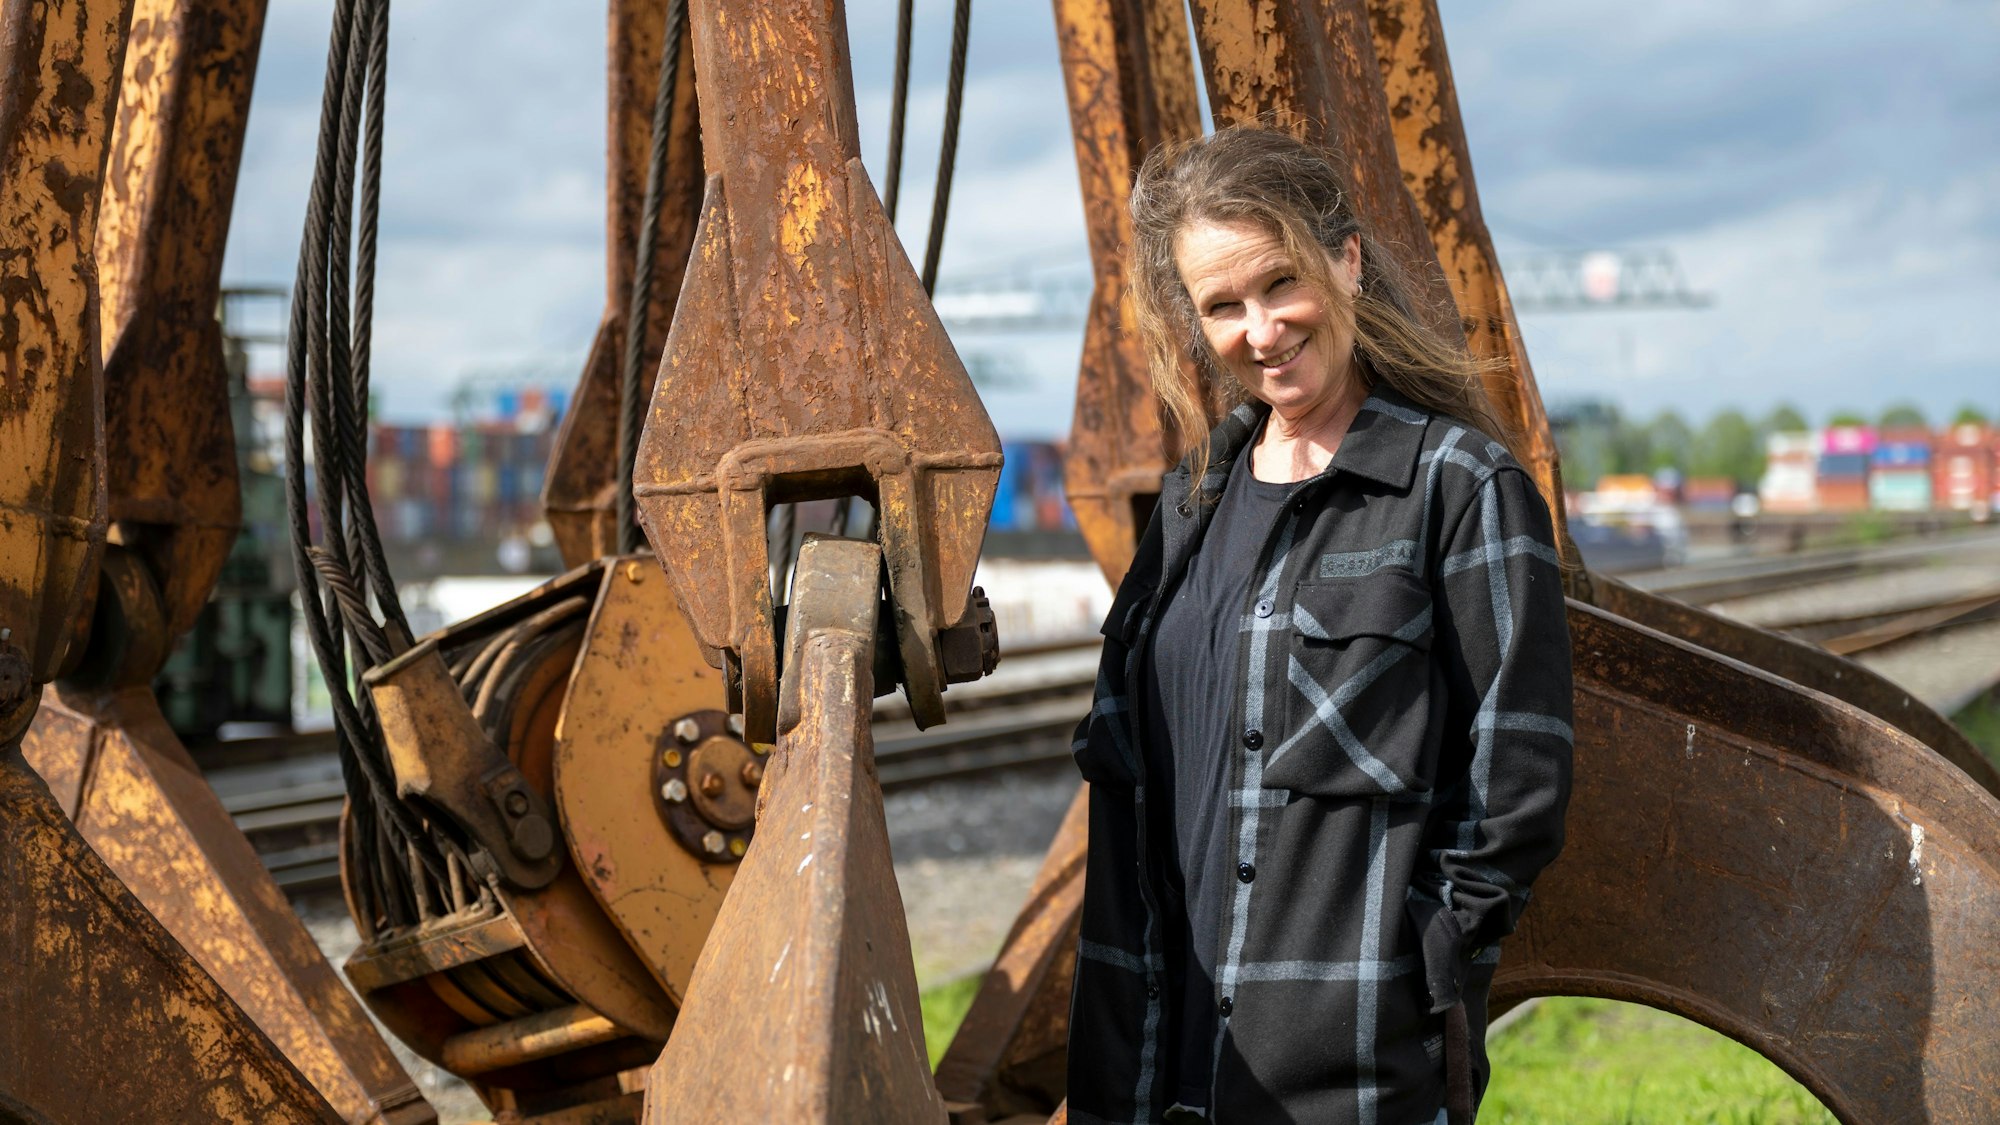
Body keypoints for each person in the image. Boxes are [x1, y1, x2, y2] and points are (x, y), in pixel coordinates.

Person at [1066, 126, 1574, 1124]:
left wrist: (1415, 971)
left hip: (1342, 1068)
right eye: (1221, 305)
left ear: (1342, 262)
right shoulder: (1186, 510)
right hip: (1148, 1056)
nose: (1259, 329)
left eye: (1278, 283)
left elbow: (1514, 784)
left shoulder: (1455, 487)